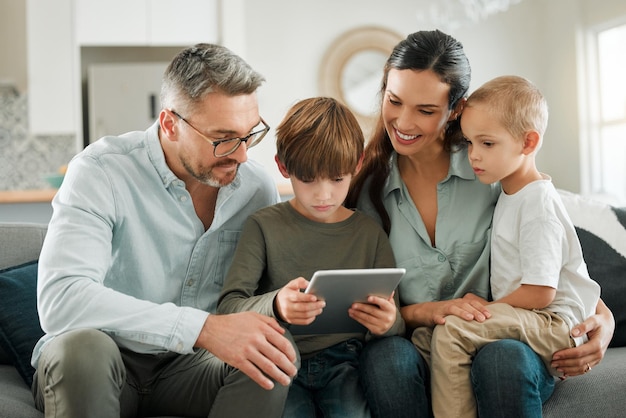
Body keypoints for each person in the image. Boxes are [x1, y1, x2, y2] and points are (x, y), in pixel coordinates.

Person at [345, 30, 615, 418]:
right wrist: (433, 311)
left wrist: (602, 322)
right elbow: (369, 308)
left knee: (502, 359)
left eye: (425, 110)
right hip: (421, 339)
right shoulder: (368, 190)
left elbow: (552, 263)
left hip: (502, 340)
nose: (403, 121)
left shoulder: (491, 169)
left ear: (456, 109)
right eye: (394, 100)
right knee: (386, 360)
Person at [32, 43, 298, 418]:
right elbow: (63, 299)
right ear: (170, 124)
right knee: (83, 350)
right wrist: (202, 328)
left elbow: (258, 294)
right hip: (104, 360)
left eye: (250, 134)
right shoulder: (100, 172)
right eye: (223, 139)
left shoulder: (254, 187)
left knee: (271, 350)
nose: (241, 155)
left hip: (191, 370)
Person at [411, 75, 601, 418]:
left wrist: (488, 308)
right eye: (469, 143)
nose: (473, 156)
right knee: (428, 337)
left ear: (528, 143)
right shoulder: (509, 193)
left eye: (487, 144)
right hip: (533, 316)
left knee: (452, 333)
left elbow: (542, 292)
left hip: (553, 323)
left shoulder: (537, 205)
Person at [217, 96, 404, 418]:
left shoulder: (369, 233)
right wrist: (276, 304)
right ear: (283, 167)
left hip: (346, 362)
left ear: (357, 166)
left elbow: (395, 318)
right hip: (279, 358)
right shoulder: (263, 225)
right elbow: (229, 306)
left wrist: (388, 323)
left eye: (337, 179)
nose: (323, 195)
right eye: (307, 180)